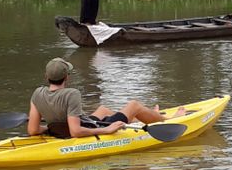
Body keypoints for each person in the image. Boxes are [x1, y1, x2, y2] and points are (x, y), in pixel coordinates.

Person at [27, 57, 176, 138]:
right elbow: (75, 132)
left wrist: (51, 128)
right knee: (134, 105)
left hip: (73, 127)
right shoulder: (71, 94)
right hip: (86, 130)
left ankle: (147, 116)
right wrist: (107, 130)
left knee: (103, 109)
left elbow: (33, 130)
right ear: (67, 77)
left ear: (46, 76)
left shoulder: (37, 93)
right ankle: (169, 119)